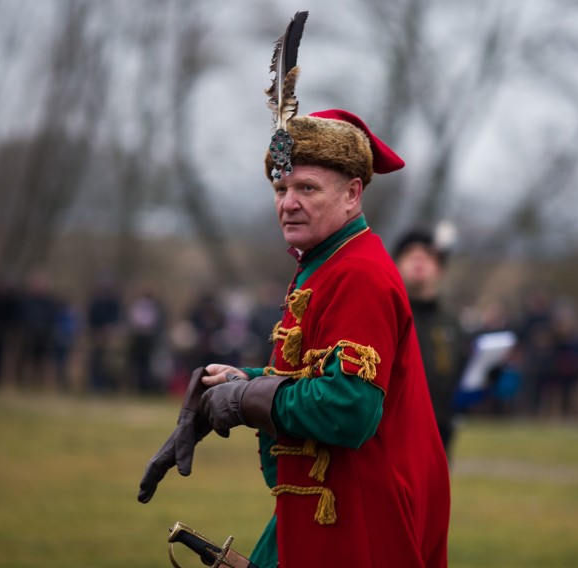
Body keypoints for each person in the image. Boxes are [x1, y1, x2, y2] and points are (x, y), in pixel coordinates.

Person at [138, 16, 450, 567]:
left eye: (308, 188)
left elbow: (350, 409)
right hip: (326, 503)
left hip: (360, 518)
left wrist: (247, 401)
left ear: (354, 194)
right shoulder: (324, 262)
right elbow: (317, 379)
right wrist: (237, 384)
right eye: (282, 188)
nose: (288, 202)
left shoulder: (358, 272)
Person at [393, 228, 467, 459]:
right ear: (394, 264)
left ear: (440, 268)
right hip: (394, 433)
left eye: (427, 253)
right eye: (409, 252)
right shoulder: (387, 314)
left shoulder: (452, 323)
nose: (418, 258)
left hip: (441, 431)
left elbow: (462, 378)